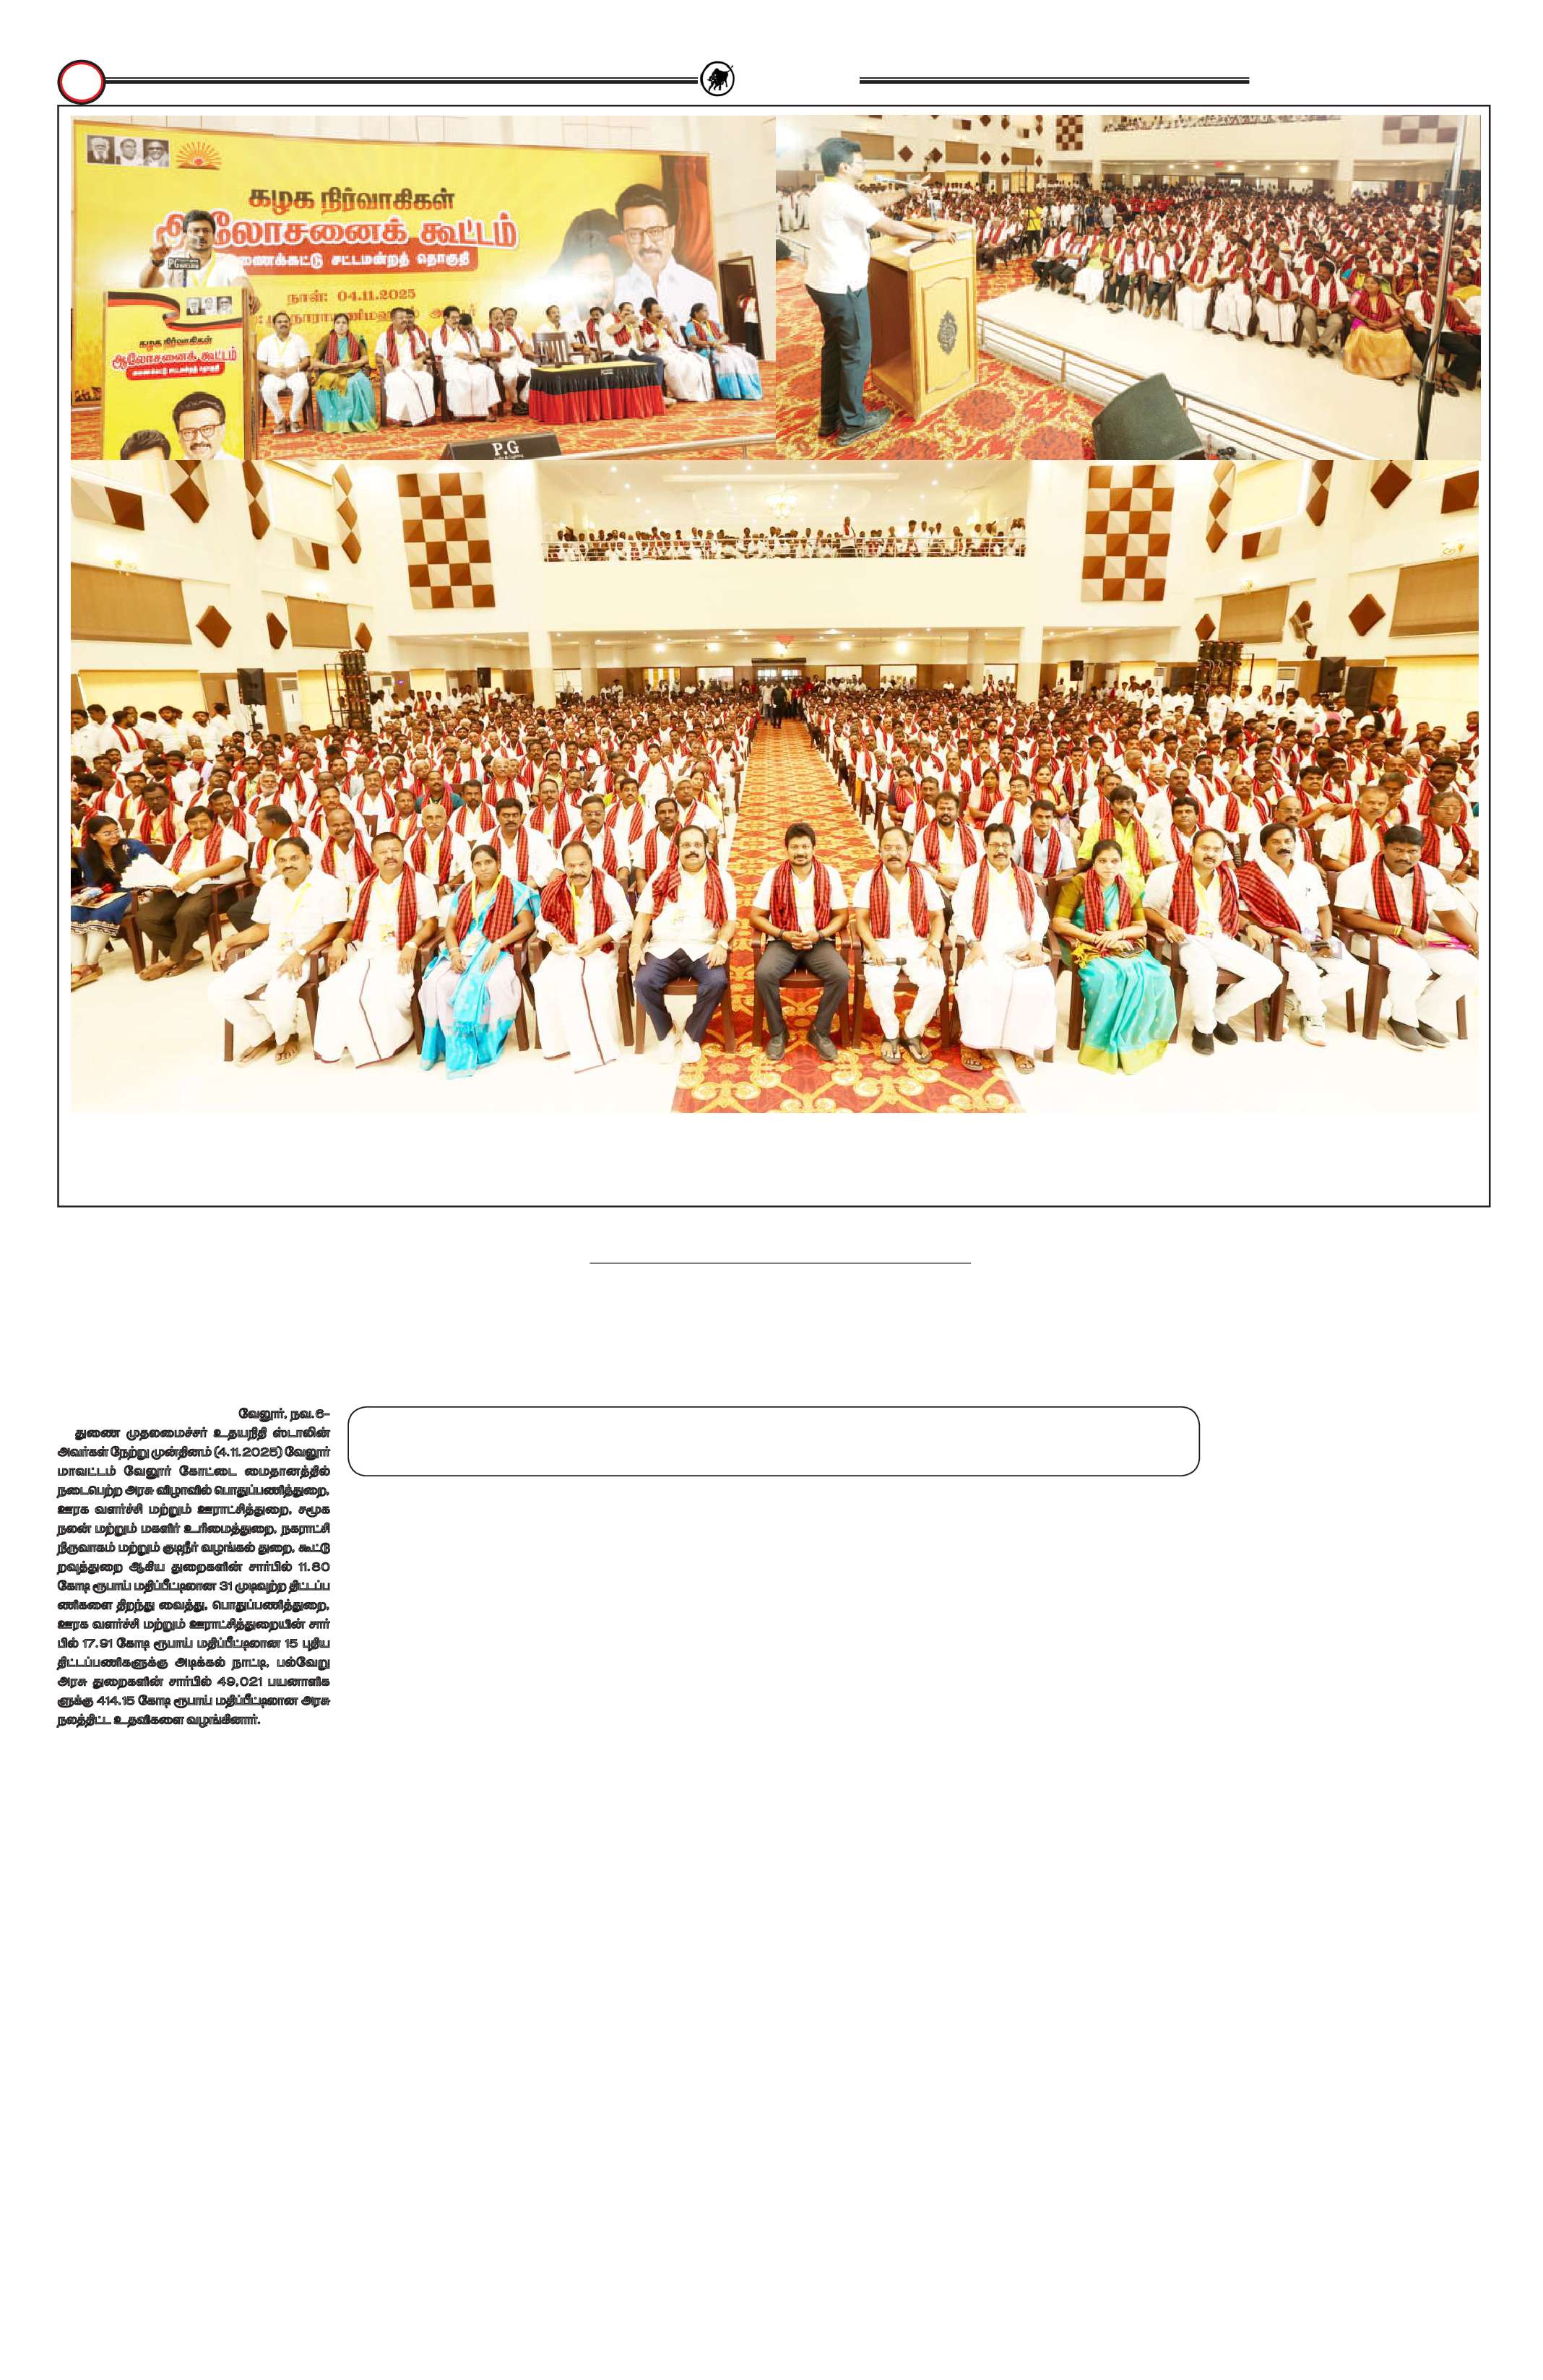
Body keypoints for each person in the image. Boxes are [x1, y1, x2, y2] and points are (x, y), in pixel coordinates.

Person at [803, 137, 942, 444]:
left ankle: (830, 418)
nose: (864, 166)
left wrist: (906, 191)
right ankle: (853, 422)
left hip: (823, 284)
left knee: (835, 351)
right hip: (844, 287)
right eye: (860, 162)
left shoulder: (824, 191)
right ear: (844, 166)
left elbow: (872, 204)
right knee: (856, 353)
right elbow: (892, 227)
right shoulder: (843, 196)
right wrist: (935, 238)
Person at [1333, 823, 1479, 1052]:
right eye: (1398, 850)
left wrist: (1479, 945)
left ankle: (1421, 1017)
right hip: (1372, 935)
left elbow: (1450, 915)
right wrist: (1399, 931)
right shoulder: (1358, 874)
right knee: (1414, 967)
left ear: (1421, 852)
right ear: (1384, 848)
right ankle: (1403, 1021)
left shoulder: (1430, 875)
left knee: (1469, 968)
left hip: (1418, 934)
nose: (1405, 857)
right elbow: (1349, 916)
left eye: (1412, 851)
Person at [209, 836, 347, 1065]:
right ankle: (264, 1035)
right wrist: (229, 941)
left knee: (278, 992)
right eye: (282, 860)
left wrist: (301, 953)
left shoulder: (329, 885)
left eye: (294, 858)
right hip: (272, 951)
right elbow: (262, 928)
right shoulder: (271, 888)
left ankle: (287, 1036)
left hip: (310, 954)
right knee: (219, 991)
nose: (288, 864)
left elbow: (332, 929)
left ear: (309, 858)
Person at [1141, 828, 1281, 1055]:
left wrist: (1249, 926)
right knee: (1204, 969)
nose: (1211, 854)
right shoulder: (1166, 874)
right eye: (1205, 848)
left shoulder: (1228, 876)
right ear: (1192, 849)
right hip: (1182, 937)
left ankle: (1219, 1015)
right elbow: (1147, 909)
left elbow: (1231, 913)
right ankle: (1203, 1028)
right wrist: (1167, 924)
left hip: (1219, 937)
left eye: (1217, 849)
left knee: (1271, 975)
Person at [1237, 820, 1367, 1047]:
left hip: (1312, 936)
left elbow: (1323, 910)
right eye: (1276, 842)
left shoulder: (1308, 870)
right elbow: (1246, 915)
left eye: (1288, 841)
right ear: (1264, 846)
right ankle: (1314, 1014)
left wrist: (1326, 939)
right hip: (1274, 940)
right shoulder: (1249, 875)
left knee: (1353, 972)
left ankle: (1288, 1001)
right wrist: (1285, 931)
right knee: (1306, 970)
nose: (1283, 846)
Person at [314, 833, 438, 1068]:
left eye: (395, 850)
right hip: (366, 952)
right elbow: (351, 924)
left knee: (374, 994)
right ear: (373, 857)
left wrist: (413, 944)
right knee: (332, 988)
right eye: (383, 852)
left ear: (403, 852)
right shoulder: (366, 885)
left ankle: (383, 1044)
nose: (390, 856)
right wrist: (339, 942)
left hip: (401, 953)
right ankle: (349, 1042)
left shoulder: (419, 883)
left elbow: (431, 923)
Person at [1052, 841, 1175, 1076]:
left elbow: (1140, 926)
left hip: (1121, 944)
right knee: (1107, 977)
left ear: (1122, 863)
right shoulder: (1079, 884)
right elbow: (1059, 923)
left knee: (1157, 976)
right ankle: (1104, 1045)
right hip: (1085, 945)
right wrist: (1096, 938)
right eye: (1103, 861)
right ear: (1094, 863)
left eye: (1114, 861)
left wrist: (1116, 935)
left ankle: (1136, 1042)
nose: (1109, 866)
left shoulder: (1130, 886)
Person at [418, 846, 537, 1076]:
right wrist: (454, 953)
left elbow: (527, 924)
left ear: (498, 863)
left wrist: (498, 943)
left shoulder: (514, 889)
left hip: (499, 949)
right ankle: (445, 1044)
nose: (483, 868)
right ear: (472, 868)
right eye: (478, 864)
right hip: (464, 949)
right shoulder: (464, 892)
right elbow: (450, 928)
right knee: (435, 982)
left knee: (493, 983)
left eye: (488, 862)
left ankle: (485, 1043)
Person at [951, 824, 1057, 1076]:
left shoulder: (1024, 877)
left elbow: (1040, 913)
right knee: (979, 981)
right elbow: (960, 913)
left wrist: (1035, 942)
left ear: (1013, 847)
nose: (1000, 850)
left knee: (1037, 983)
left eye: (1005, 845)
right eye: (995, 845)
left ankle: (1020, 1046)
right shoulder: (971, 875)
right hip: (984, 945)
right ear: (985, 846)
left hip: (1020, 948)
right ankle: (973, 1043)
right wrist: (973, 943)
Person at [628, 825, 737, 1066]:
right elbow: (644, 915)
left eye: (697, 845)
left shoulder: (722, 878)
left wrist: (721, 944)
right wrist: (635, 947)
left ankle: (691, 1034)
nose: (692, 850)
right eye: (686, 845)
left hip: (703, 947)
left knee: (717, 981)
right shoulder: (662, 874)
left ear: (706, 848)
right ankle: (667, 1031)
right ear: (677, 849)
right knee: (643, 981)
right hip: (664, 946)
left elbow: (731, 921)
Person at [749, 822, 850, 1063]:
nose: (800, 852)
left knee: (841, 975)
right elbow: (755, 917)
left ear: (814, 848)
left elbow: (842, 916)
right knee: (764, 974)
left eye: (805, 846)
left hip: (818, 941)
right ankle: (778, 1032)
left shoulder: (830, 875)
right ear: (786, 849)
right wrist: (783, 934)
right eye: (794, 847)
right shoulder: (773, 876)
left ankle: (820, 1030)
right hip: (784, 941)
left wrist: (821, 934)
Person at [532, 839, 634, 1073]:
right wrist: (551, 937)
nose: (577, 871)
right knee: (544, 980)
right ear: (564, 866)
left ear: (591, 863)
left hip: (600, 950)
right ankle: (561, 1045)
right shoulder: (555, 887)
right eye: (571, 866)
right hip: (566, 948)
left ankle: (595, 1049)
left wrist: (600, 940)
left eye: (582, 864)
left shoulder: (608, 885)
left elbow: (626, 921)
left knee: (587, 982)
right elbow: (543, 920)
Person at [851, 826, 946, 1063]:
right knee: (879, 982)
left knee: (936, 982)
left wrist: (934, 944)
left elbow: (937, 917)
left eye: (899, 848)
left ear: (909, 850)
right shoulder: (867, 879)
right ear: (880, 851)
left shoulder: (924, 878)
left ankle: (912, 1032)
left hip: (918, 942)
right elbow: (861, 920)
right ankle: (891, 1033)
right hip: (882, 942)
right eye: (888, 848)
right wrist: (872, 947)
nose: (894, 853)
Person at [134, 802, 247, 979]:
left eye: (204, 822)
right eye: (193, 823)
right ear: (187, 825)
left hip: (217, 886)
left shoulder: (230, 836)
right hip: (181, 885)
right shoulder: (184, 840)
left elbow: (234, 861)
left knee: (187, 914)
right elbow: (168, 867)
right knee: (146, 916)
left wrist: (197, 876)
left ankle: (171, 960)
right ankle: (188, 954)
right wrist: (159, 882)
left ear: (213, 821)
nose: (199, 826)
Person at [612, 181, 717, 323]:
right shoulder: (614, 292)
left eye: (655, 231)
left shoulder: (701, 288)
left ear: (672, 234)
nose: (647, 244)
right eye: (635, 234)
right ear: (625, 239)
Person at [70, 815, 147, 988]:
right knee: (73, 910)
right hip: (108, 895)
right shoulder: (87, 856)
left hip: (136, 892)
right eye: (107, 833)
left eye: (116, 831)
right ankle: (78, 966)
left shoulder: (133, 847)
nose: (114, 836)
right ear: (93, 836)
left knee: (102, 912)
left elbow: (149, 873)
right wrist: (91, 895)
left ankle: (92, 964)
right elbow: (92, 884)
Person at [139, 204, 249, 291]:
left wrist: (248, 292)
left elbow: (242, 283)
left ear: (214, 237)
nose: (201, 235)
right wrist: (156, 261)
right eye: (196, 231)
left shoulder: (229, 260)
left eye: (206, 231)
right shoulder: (174, 261)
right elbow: (146, 285)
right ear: (185, 237)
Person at [639, 298, 714, 402]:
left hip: (673, 351)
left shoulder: (662, 325)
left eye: (661, 312)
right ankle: (684, 395)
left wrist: (669, 326)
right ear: (649, 314)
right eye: (657, 312)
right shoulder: (642, 325)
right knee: (682, 365)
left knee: (701, 361)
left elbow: (675, 340)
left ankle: (700, 393)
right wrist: (658, 329)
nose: (661, 314)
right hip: (658, 353)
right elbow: (646, 344)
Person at [431, 306, 498, 420]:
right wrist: (457, 354)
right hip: (449, 364)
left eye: (458, 318)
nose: (456, 320)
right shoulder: (438, 332)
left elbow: (474, 350)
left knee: (486, 372)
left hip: (467, 363)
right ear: (446, 318)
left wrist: (474, 357)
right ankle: (459, 413)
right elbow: (438, 350)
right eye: (453, 318)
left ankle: (484, 411)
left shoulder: (463, 333)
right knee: (460, 378)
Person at [313, 314, 376, 433]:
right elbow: (315, 362)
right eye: (338, 323)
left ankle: (357, 421)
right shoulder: (326, 339)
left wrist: (352, 364)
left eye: (344, 323)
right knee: (332, 382)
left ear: (348, 325)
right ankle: (338, 424)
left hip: (353, 370)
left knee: (359, 381)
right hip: (332, 371)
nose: (341, 326)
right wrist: (333, 366)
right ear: (334, 325)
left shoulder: (356, 338)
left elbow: (365, 358)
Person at [685, 303, 763, 399]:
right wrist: (712, 344)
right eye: (705, 311)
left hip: (721, 347)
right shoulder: (691, 326)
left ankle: (750, 391)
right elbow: (694, 341)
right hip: (706, 350)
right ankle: (732, 393)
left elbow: (725, 337)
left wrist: (717, 343)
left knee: (749, 357)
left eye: (708, 310)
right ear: (696, 313)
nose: (708, 312)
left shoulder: (713, 324)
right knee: (728, 359)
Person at [375, 307, 435, 425]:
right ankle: (408, 418)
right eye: (401, 318)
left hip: (412, 369)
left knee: (427, 378)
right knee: (405, 383)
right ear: (393, 320)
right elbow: (377, 357)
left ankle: (424, 416)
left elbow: (423, 354)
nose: (405, 320)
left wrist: (421, 360)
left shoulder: (413, 335)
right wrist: (384, 361)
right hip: (394, 371)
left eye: (406, 317)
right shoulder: (384, 336)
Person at [256, 313, 312, 434]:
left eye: (286, 321)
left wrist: (295, 369)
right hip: (274, 374)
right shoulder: (266, 342)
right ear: (273, 325)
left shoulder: (299, 340)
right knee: (267, 390)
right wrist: (273, 370)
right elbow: (259, 364)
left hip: (295, 372)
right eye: (280, 322)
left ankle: (294, 419)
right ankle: (280, 419)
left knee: (303, 388)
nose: (283, 324)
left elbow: (307, 361)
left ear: (290, 324)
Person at [170, 390, 229, 462]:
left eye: (207, 429)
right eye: (188, 432)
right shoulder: (168, 468)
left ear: (223, 430)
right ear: (179, 436)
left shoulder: (239, 467)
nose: (198, 440)